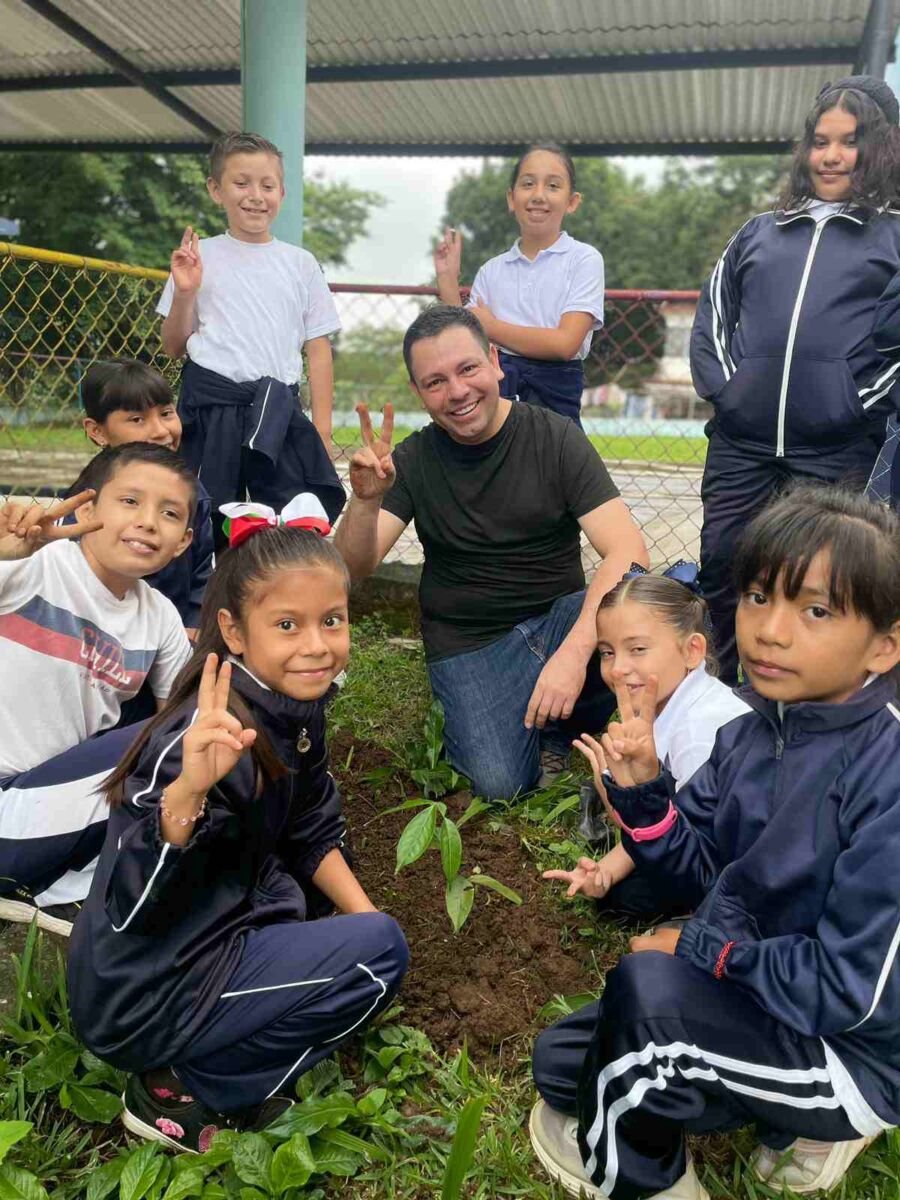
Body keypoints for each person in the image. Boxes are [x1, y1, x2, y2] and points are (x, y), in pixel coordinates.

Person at [530, 483, 900, 1200]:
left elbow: (854, 994)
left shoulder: (887, 773)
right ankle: (754, 1106)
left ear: (885, 645)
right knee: (562, 1060)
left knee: (639, 1009)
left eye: (815, 609)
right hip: (763, 985)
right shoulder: (751, 731)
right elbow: (695, 870)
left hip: (856, 1048)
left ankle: (648, 1177)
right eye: (760, 596)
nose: (770, 629)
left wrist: (704, 951)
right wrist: (643, 796)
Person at [68, 504, 408, 1152]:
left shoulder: (295, 709)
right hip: (144, 991)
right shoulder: (201, 740)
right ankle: (186, 1090)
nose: (317, 645)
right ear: (235, 630)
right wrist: (188, 795)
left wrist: (359, 915)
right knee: (379, 958)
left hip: (217, 929)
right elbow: (133, 905)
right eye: (288, 624)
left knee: (346, 914)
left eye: (331, 620)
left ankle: (231, 1028)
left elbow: (310, 825)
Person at [334, 304, 648, 800]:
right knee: (499, 784)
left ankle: (562, 729)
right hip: (469, 642)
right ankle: (530, 710)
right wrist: (366, 502)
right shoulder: (413, 460)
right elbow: (351, 568)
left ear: (495, 361)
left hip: (557, 618)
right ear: (418, 392)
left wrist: (572, 654)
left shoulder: (555, 437)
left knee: (645, 606)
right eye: (435, 382)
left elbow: (629, 551)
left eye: (467, 369)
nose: (457, 392)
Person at [690, 75, 900, 684]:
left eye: (849, 141)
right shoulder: (760, 231)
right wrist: (731, 394)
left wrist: (852, 402)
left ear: (881, 147)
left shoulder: (891, 235)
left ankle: (806, 714)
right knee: (727, 564)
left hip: (836, 450)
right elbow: (714, 316)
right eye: (819, 141)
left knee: (819, 583)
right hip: (742, 444)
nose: (830, 156)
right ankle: (731, 701)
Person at [0, 443, 195, 935]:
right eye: (130, 501)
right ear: (87, 509)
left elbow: (187, 711)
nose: (148, 521)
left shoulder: (159, 619)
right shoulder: (35, 566)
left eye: (168, 513)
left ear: (184, 541)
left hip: (48, 812)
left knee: (188, 736)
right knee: (173, 737)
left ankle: (52, 893)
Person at [156, 131, 346, 548]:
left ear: (282, 191)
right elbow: (173, 346)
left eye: (267, 185)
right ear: (216, 190)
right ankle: (198, 606)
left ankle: (275, 606)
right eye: (241, 183)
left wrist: (324, 431)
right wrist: (186, 290)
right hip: (210, 409)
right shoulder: (198, 256)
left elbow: (318, 350)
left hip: (277, 409)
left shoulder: (300, 263)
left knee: (289, 524)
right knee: (202, 519)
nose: (256, 196)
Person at [543, 565, 749, 920]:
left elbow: (682, 836)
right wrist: (605, 870)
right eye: (607, 652)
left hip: (732, 867)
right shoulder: (663, 706)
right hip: (693, 841)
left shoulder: (700, 733)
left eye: (637, 649)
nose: (618, 668)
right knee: (616, 891)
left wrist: (614, 794)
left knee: (629, 899)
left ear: (691, 650)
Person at [433, 143, 604, 424]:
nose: (538, 195)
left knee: (556, 465)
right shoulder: (491, 271)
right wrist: (448, 280)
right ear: (512, 199)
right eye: (528, 184)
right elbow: (464, 341)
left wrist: (490, 327)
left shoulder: (584, 260)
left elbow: (565, 344)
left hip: (557, 398)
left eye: (552, 185)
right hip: (497, 394)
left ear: (572, 201)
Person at [74, 359, 214, 633]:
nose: (160, 431)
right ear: (97, 430)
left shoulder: (193, 494)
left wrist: (194, 629)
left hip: (174, 636)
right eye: (137, 419)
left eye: (166, 413)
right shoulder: (86, 499)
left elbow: (202, 577)